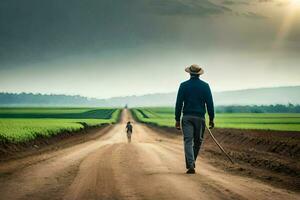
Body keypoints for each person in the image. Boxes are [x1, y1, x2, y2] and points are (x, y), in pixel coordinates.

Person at [175, 64, 215, 174]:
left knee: (188, 140)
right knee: (197, 142)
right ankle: (191, 163)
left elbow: (179, 103)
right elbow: (210, 104)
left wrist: (177, 119)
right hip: (200, 118)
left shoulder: (183, 85)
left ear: (189, 73)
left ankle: (191, 164)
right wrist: (211, 118)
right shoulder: (205, 86)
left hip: (187, 117)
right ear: (199, 74)